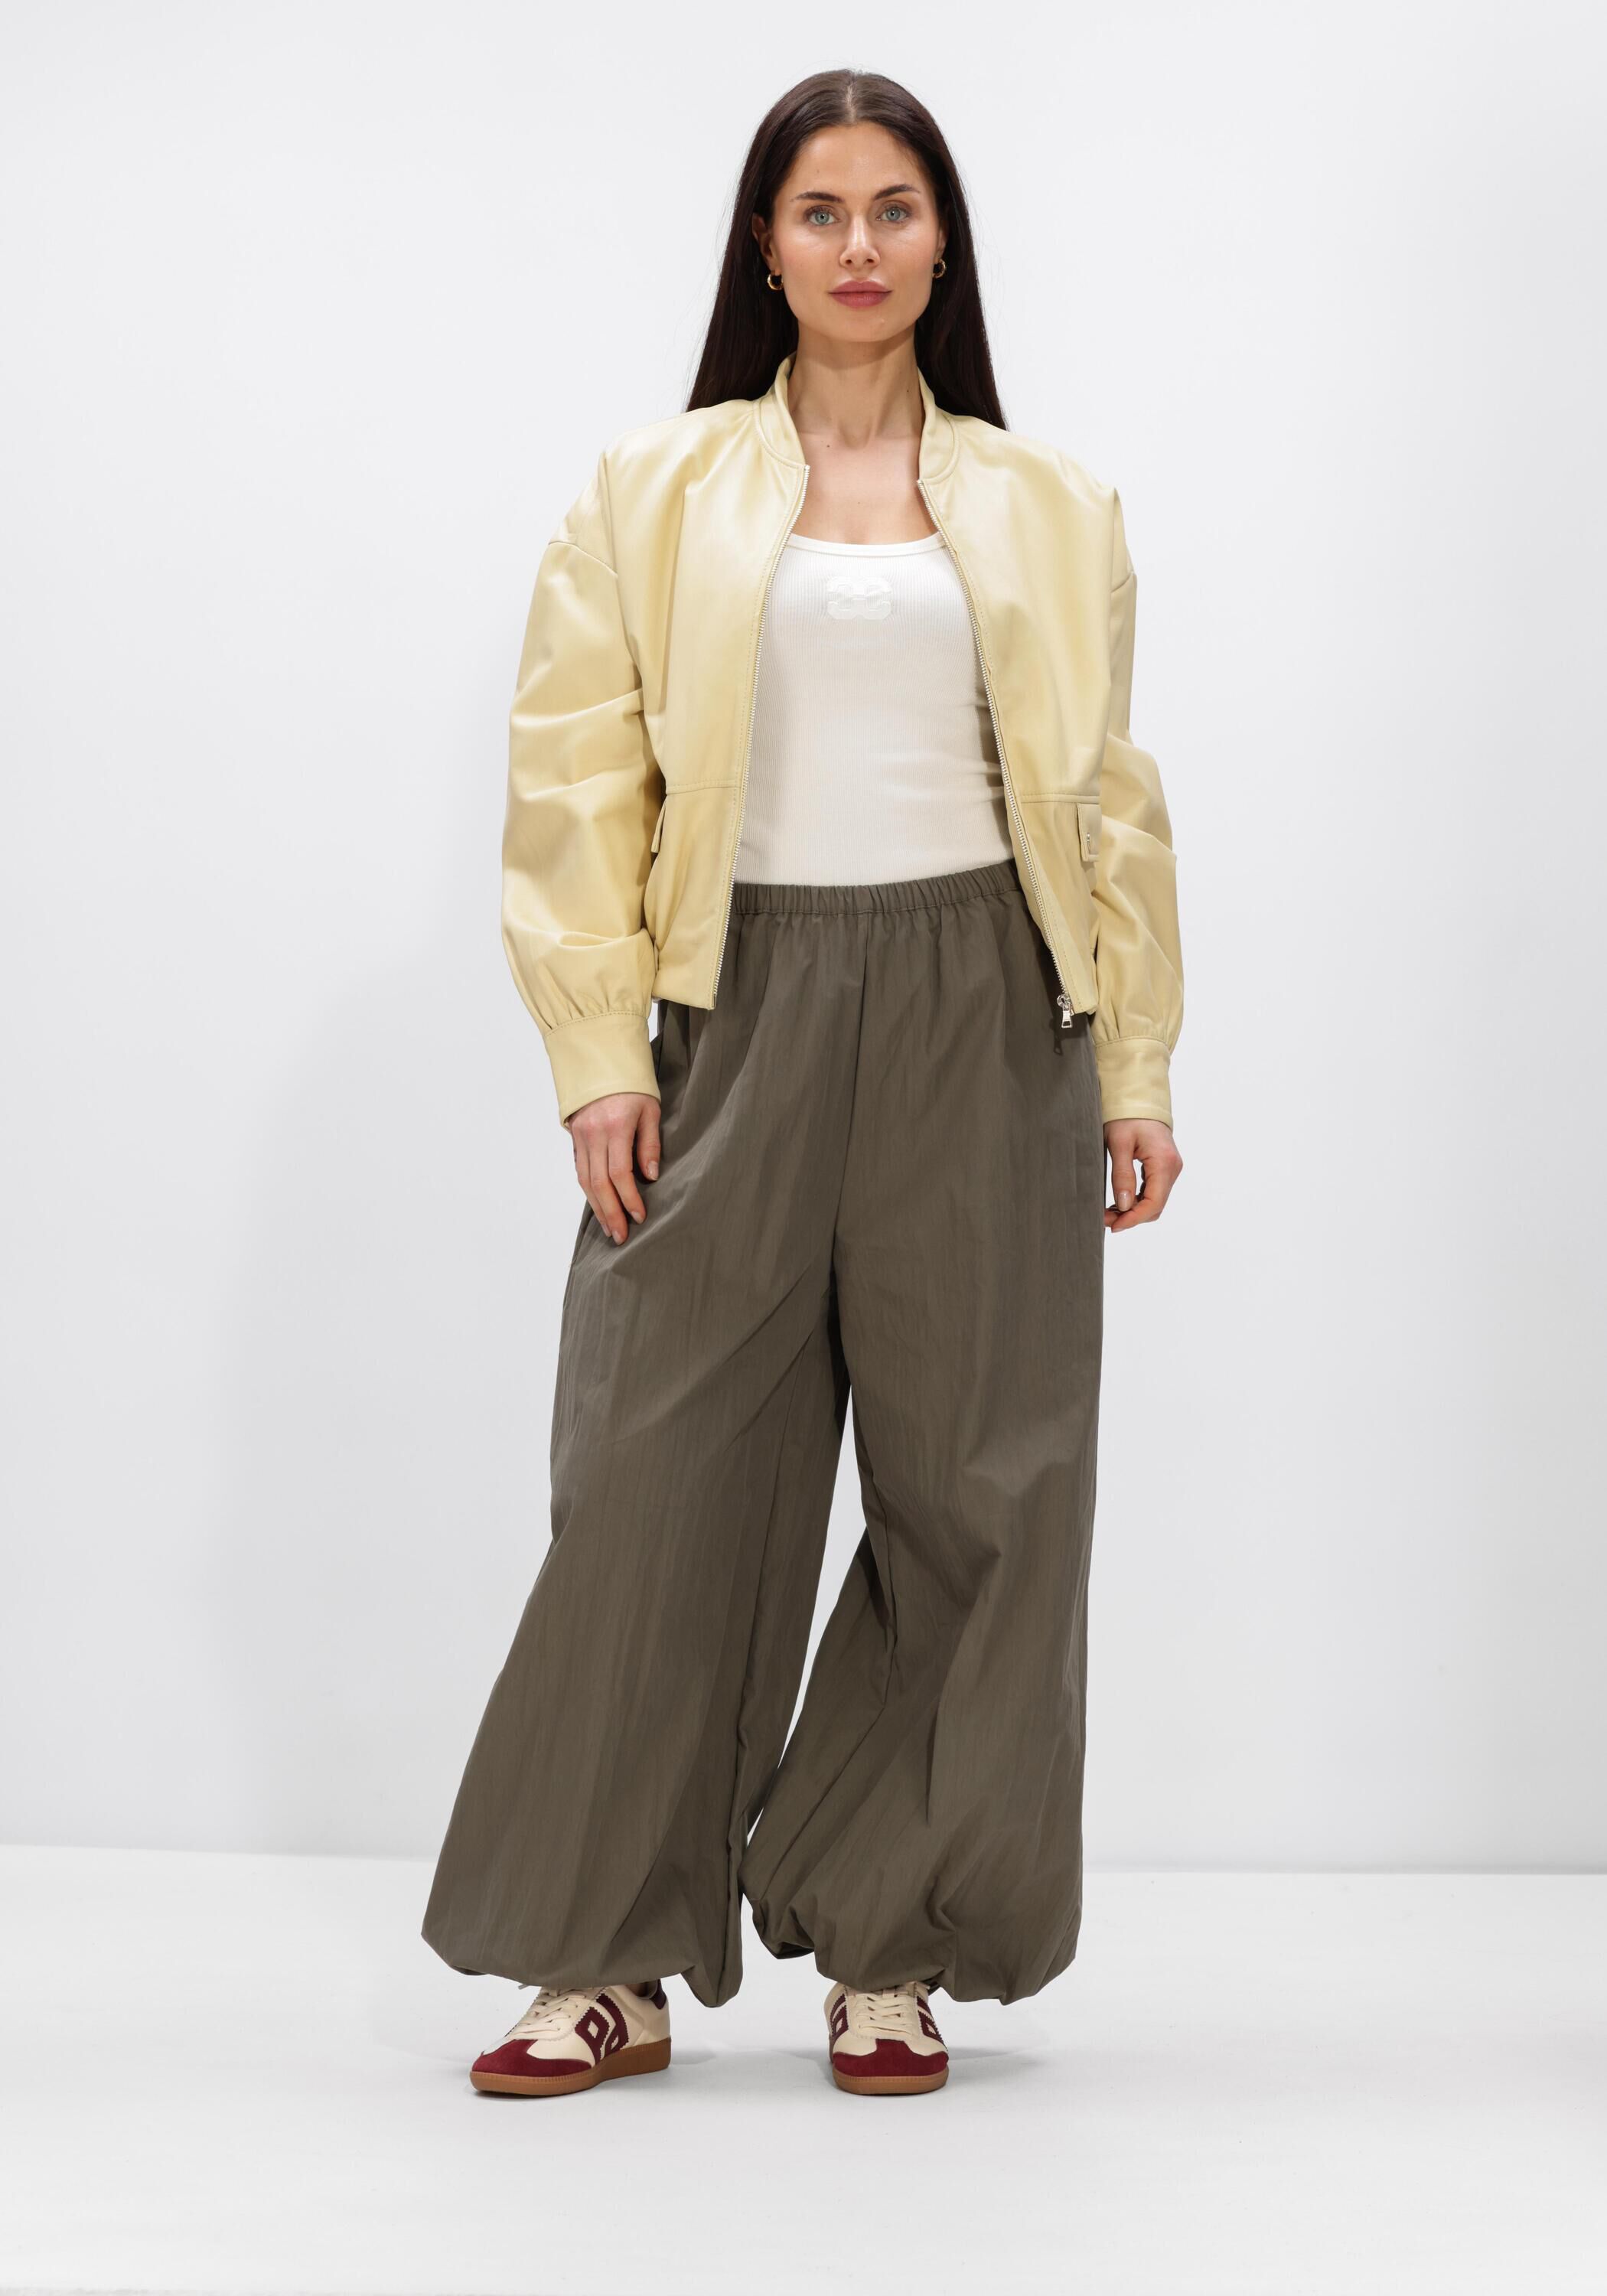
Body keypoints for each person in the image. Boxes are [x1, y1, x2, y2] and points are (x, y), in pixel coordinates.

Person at [421, 67, 1185, 2101]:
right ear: (764, 245)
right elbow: (574, 780)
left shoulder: (1050, 505)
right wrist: (599, 1055)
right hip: (729, 1007)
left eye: (895, 208)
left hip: (988, 1014)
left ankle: (889, 1941)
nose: (860, 244)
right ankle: (604, 1961)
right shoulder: (649, 489)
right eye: (821, 209)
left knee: (985, 1490)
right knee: (653, 1482)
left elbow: (1107, 805)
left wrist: (1132, 1065)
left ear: (942, 242)